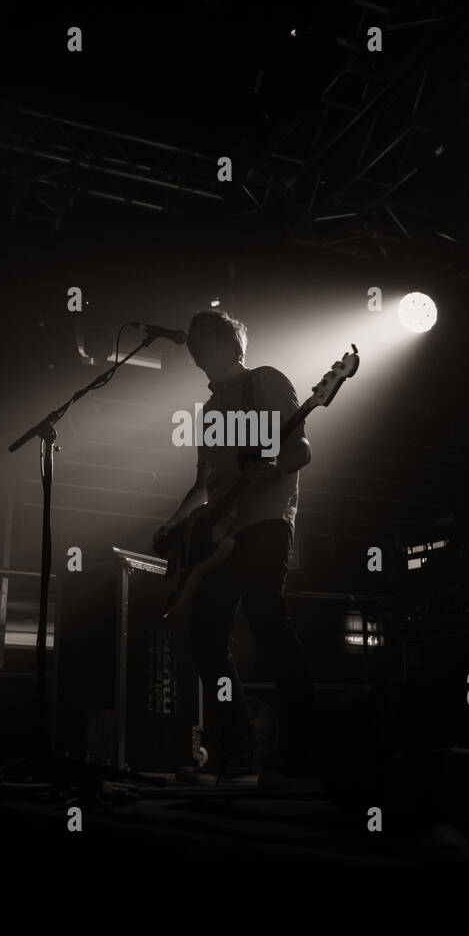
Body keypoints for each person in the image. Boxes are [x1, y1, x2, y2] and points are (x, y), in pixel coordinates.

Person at [153, 309, 318, 786]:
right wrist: (171, 525)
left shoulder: (262, 382)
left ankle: (305, 752)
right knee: (206, 640)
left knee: (268, 623)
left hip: (265, 522)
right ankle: (238, 755)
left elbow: (300, 450)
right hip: (222, 533)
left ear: (232, 343)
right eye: (193, 340)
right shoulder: (208, 411)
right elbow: (203, 486)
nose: (193, 346)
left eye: (205, 336)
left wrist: (268, 469)